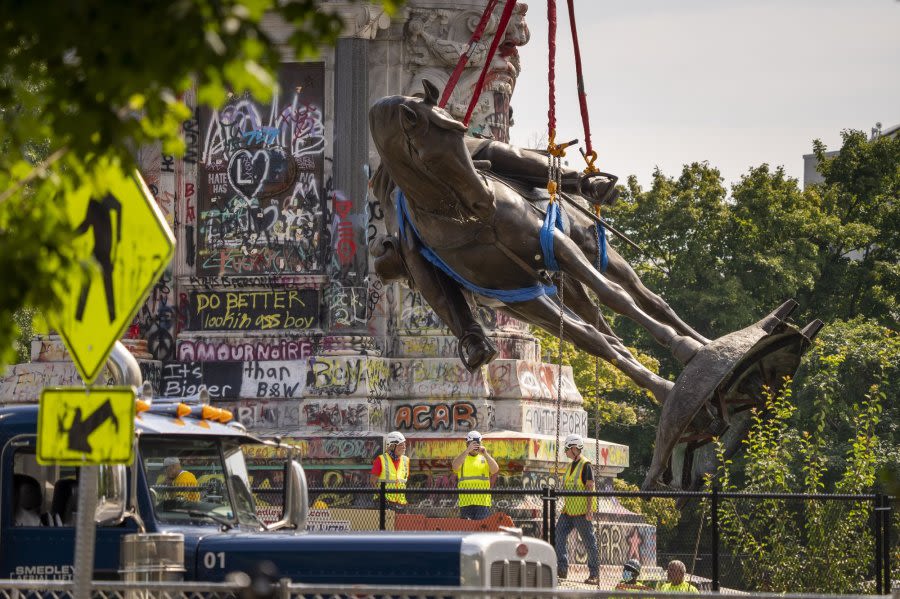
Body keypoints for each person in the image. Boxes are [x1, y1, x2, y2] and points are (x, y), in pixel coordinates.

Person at [555, 434, 600, 585]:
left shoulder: (586, 465)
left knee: (589, 543)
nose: (565, 451)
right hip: (568, 511)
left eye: (567, 448)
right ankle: (561, 570)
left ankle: (594, 574)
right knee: (558, 535)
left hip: (581, 512)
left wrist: (589, 510)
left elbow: (590, 488)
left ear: (574, 448)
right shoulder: (569, 466)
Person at [451, 430, 499, 520]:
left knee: (481, 531)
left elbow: (495, 469)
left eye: (477, 443)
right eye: (472, 443)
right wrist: (467, 451)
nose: (475, 446)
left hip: (482, 502)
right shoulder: (462, 458)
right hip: (466, 502)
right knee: (467, 530)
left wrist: (485, 453)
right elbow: (454, 467)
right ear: (467, 444)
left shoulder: (484, 458)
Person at [370, 431, 410, 511]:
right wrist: (380, 497)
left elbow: (404, 482)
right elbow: (373, 482)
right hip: (384, 504)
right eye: (401, 445)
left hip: (401, 504)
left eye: (404, 445)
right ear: (392, 446)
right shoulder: (381, 460)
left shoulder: (406, 461)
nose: (404, 447)